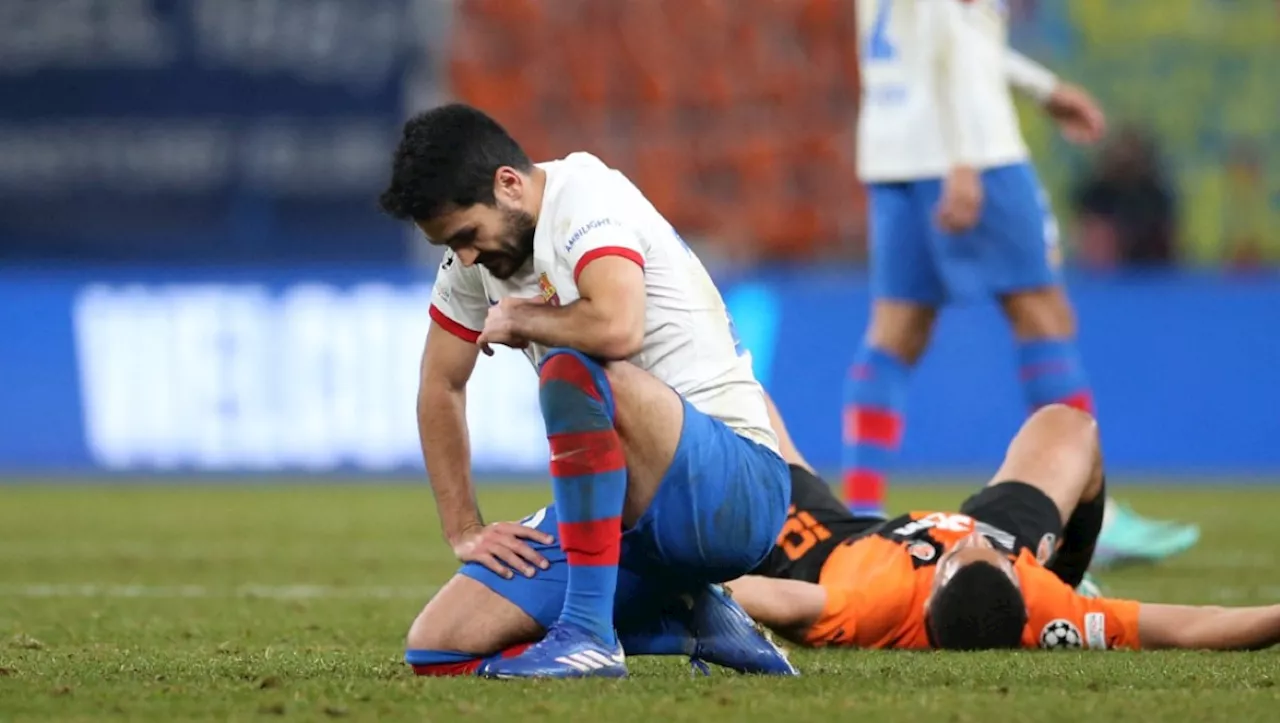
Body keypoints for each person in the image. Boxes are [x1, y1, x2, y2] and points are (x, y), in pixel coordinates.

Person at [378, 104, 793, 679]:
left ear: (509, 184)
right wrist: (464, 528)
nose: (466, 256)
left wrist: (523, 316)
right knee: (439, 648)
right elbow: (440, 383)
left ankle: (590, 637)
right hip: (633, 517)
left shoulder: (586, 200)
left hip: (735, 491)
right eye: (450, 244)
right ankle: (691, 616)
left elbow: (618, 327)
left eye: (468, 235)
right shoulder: (473, 260)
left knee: (572, 367)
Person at [842, 0, 1199, 566]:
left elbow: (946, 38)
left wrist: (1042, 87)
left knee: (896, 331)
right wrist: (961, 160)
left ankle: (858, 516)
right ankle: (1091, 516)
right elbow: (953, 41)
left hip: (892, 152)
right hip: (973, 149)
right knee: (1044, 314)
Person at [731, 404, 1280, 652]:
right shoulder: (1047, 609)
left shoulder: (870, 603)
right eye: (987, 551)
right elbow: (1193, 627)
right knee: (1072, 428)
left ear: (932, 591)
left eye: (962, 552)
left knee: (744, 404)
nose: (969, 539)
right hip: (1021, 564)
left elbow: (775, 599)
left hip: (832, 546)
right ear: (1019, 579)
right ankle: (1072, 571)